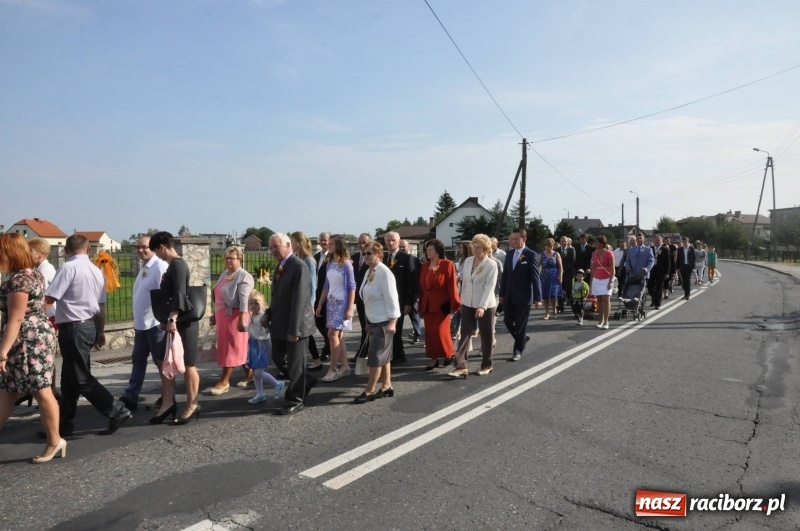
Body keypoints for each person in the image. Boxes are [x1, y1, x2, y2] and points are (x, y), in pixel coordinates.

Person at [45, 234, 132, 435]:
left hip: (73, 328)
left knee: (81, 378)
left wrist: (37, 319)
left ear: (66, 251)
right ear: (88, 250)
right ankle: (63, 425)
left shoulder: (68, 268)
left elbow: (50, 298)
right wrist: (100, 330)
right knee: (69, 378)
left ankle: (117, 410)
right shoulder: (96, 270)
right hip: (87, 326)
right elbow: (100, 305)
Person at [0, 234, 62, 463]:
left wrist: (2, 353)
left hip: (28, 340)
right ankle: (55, 441)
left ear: (10, 253)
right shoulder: (30, 273)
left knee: (41, 390)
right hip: (31, 335)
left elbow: (16, 319)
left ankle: (54, 442)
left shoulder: (19, 279)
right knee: (7, 390)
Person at [147, 231, 201, 425]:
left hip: (183, 323)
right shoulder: (173, 265)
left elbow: (180, 293)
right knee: (163, 360)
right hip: (176, 322)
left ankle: (192, 404)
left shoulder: (177, 265)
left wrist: (172, 318)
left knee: (188, 364)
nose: (157, 255)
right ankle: (168, 403)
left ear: (162, 247)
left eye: (156, 251)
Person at [262, 233, 317, 415]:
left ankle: (296, 400)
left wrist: (294, 330)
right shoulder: (281, 266)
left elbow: (300, 301)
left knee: (294, 363)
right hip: (280, 323)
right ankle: (305, 379)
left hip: (296, 326)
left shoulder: (299, 267)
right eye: (270, 248)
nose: (273, 251)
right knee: (278, 357)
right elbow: (278, 296)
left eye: (276, 247)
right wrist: (268, 314)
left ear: (288, 245)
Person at [119, 235, 168, 411]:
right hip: (142, 324)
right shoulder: (145, 267)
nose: (140, 250)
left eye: (144, 247)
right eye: (138, 247)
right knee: (138, 360)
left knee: (161, 362)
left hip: (155, 324)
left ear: (153, 247)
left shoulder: (159, 266)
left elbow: (165, 295)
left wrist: (164, 320)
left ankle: (167, 396)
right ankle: (132, 395)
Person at [353, 241, 400, 403]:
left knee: (375, 356)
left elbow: (392, 298)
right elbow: (367, 298)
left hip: (384, 321)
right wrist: (367, 321)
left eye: (369, 253)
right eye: (364, 253)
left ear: (379, 255)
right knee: (383, 357)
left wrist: (392, 321)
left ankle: (370, 390)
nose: (365, 256)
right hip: (373, 321)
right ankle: (386, 386)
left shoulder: (384, 272)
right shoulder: (369, 271)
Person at [450, 234, 498, 378]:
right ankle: (461, 366)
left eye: (479, 248)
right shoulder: (469, 261)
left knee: (486, 335)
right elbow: (464, 283)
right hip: (467, 303)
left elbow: (489, 287)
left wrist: (482, 307)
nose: (475, 250)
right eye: (474, 247)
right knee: (464, 333)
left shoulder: (491, 265)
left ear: (485, 249)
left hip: (486, 305)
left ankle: (487, 364)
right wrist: (460, 301)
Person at [208, 245, 254, 394]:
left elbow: (244, 300)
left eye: (232, 258)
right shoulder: (224, 274)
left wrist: (242, 319)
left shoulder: (244, 276)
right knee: (234, 347)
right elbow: (218, 295)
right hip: (223, 316)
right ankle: (250, 373)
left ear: (239, 259)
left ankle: (224, 381)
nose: (228, 261)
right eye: (226, 258)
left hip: (235, 316)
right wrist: (215, 314)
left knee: (232, 348)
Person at [315, 236, 356, 382]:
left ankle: (332, 369)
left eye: (331, 244)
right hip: (331, 303)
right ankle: (344, 366)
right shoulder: (329, 263)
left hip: (342, 303)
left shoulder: (346, 264)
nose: (329, 246)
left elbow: (352, 287)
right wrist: (320, 304)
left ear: (338, 245)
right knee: (338, 336)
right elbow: (326, 285)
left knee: (332, 334)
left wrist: (350, 307)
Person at [499, 228, 543, 361]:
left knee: (520, 324)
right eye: (512, 239)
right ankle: (523, 337)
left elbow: (535, 277)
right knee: (507, 320)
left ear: (524, 239)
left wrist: (538, 297)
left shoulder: (530, 254)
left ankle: (518, 350)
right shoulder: (509, 254)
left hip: (524, 296)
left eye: (517, 239)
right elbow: (505, 275)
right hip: (509, 295)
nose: (513, 241)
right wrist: (502, 294)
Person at [419, 239, 460, 369]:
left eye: (430, 249)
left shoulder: (447, 264)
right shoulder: (424, 266)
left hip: (442, 305)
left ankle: (449, 353)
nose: (428, 252)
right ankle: (433, 358)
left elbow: (452, 286)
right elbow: (422, 288)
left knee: (440, 332)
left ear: (438, 251)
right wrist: (420, 305)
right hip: (427, 305)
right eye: (427, 250)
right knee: (430, 334)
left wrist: (455, 304)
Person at [28, 237, 59, 401]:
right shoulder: (40, 269)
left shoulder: (44, 271)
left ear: (40, 254)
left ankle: (50, 394)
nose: (27, 254)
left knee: (46, 360)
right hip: (46, 317)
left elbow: (46, 299)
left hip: (48, 317)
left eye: (30, 251)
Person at [382, 231, 416, 365]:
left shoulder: (406, 258)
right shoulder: (383, 258)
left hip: (401, 301)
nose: (390, 243)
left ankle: (398, 355)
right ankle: (393, 354)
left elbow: (411, 282)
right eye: (388, 240)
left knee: (396, 328)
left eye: (393, 240)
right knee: (387, 329)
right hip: (385, 300)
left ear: (398, 241)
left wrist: (409, 303)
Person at [245, 291, 284, 404]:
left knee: (258, 372)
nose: (253, 305)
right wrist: (244, 328)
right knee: (255, 371)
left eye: (256, 303)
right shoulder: (253, 316)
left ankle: (277, 384)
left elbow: (266, 332)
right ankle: (260, 394)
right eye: (251, 303)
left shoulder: (262, 317)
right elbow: (252, 328)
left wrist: (266, 326)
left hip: (261, 346)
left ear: (262, 304)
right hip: (253, 344)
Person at [290, 231, 320, 370]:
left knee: (304, 330)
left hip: (306, 301)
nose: (290, 244)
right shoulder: (296, 257)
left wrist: (312, 303)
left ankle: (316, 359)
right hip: (296, 299)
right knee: (299, 329)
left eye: (292, 241)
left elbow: (313, 284)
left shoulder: (309, 260)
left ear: (298, 243)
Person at [312, 231, 331, 363]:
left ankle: (327, 349)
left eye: (326, 240)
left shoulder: (333, 256)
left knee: (327, 323)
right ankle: (328, 345)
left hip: (329, 294)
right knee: (318, 321)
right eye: (322, 240)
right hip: (317, 293)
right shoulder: (316, 256)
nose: (324, 242)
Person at [351, 233, 373, 351]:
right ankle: (363, 350)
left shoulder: (373, 259)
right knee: (363, 325)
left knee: (369, 325)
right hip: (358, 298)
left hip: (369, 298)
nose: (361, 245)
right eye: (359, 243)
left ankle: (363, 351)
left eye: (364, 242)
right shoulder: (354, 258)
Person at [589, 235, 615, 329]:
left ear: (601, 243)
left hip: (607, 278)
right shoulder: (594, 253)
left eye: (596, 243)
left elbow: (612, 269)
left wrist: (611, 281)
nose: (595, 244)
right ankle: (601, 319)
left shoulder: (609, 253)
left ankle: (606, 321)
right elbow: (593, 267)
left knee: (606, 298)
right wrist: (591, 281)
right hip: (597, 278)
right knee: (599, 299)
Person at [399, 239, 422, 344]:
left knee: (414, 316)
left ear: (409, 247)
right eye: (400, 246)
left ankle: (417, 334)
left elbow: (417, 277)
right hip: (400, 295)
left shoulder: (415, 260)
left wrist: (417, 294)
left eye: (403, 246)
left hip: (412, 294)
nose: (402, 248)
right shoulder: (396, 259)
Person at [451, 241, 472, 340]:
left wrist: (459, 277)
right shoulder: (460, 260)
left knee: (464, 309)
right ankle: (457, 329)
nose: (460, 249)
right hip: (460, 286)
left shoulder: (471, 260)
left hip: (467, 286)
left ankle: (462, 329)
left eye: (461, 247)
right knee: (459, 308)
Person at [539, 238, 563, 320]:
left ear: (553, 246)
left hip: (554, 277)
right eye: (547, 246)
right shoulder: (541, 254)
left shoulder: (556, 254)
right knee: (545, 295)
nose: (549, 248)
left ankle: (554, 309)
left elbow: (560, 267)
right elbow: (536, 265)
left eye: (550, 246)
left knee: (553, 295)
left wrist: (560, 276)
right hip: (544, 277)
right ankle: (547, 312)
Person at [647, 236, 670, 310]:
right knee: (649, 286)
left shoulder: (665, 249)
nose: (657, 242)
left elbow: (668, 262)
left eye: (658, 240)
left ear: (661, 241)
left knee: (659, 287)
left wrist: (667, 273)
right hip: (651, 270)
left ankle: (657, 304)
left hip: (661, 270)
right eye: (656, 240)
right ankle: (654, 299)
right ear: (653, 241)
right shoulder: (650, 249)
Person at [556, 236, 575, 314]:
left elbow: (573, 261)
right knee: (560, 290)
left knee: (568, 290)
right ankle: (560, 307)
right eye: (562, 241)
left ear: (567, 242)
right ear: (560, 242)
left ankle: (573, 307)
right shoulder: (556, 250)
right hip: (559, 273)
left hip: (568, 272)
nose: (563, 242)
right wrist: (560, 270)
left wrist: (565, 270)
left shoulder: (571, 250)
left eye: (565, 241)